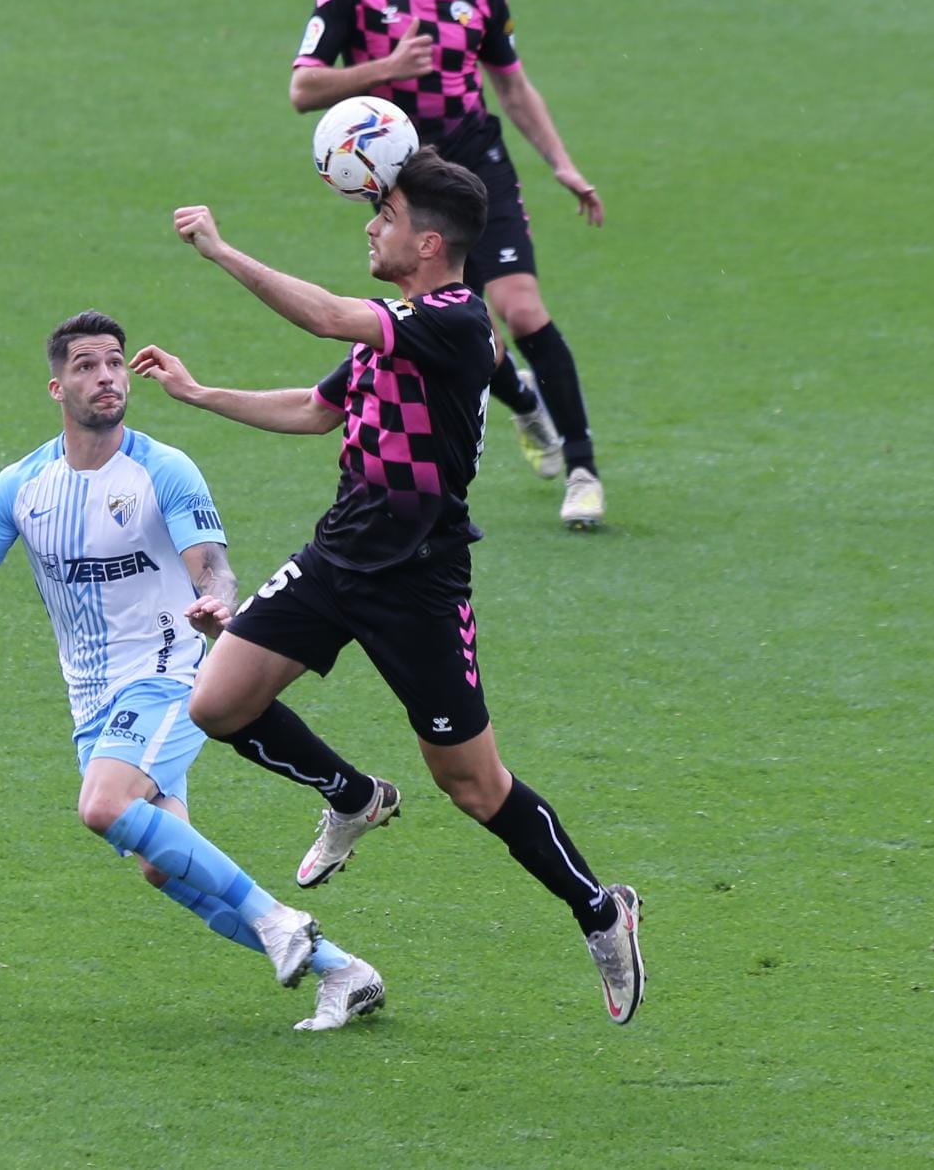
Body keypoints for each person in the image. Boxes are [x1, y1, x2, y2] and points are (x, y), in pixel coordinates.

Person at [130, 151, 646, 1025]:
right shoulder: (396, 326)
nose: (371, 225)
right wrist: (200, 393)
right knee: (217, 704)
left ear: (430, 241)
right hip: (337, 559)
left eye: (387, 215)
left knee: (474, 785)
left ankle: (602, 912)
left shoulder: (456, 322)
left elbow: (331, 318)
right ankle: (353, 796)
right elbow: (316, 407)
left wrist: (222, 251)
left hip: (418, 585)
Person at [0, 310, 384, 1032]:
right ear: (58, 387)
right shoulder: (21, 486)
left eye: (114, 362)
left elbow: (211, 566)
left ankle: (281, 922)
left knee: (103, 807)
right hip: (93, 701)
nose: (107, 376)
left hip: (169, 675)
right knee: (160, 862)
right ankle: (343, 971)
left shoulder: (162, 469)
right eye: (87, 365)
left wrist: (217, 605)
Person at [289, 0, 607, 529]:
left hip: (477, 159)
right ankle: (520, 398)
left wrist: (562, 163)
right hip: (407, 178)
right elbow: (304, 86)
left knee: (520, 310)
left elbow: (512, 85)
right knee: (457, 324)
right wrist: (386, 66)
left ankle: (581, 467)